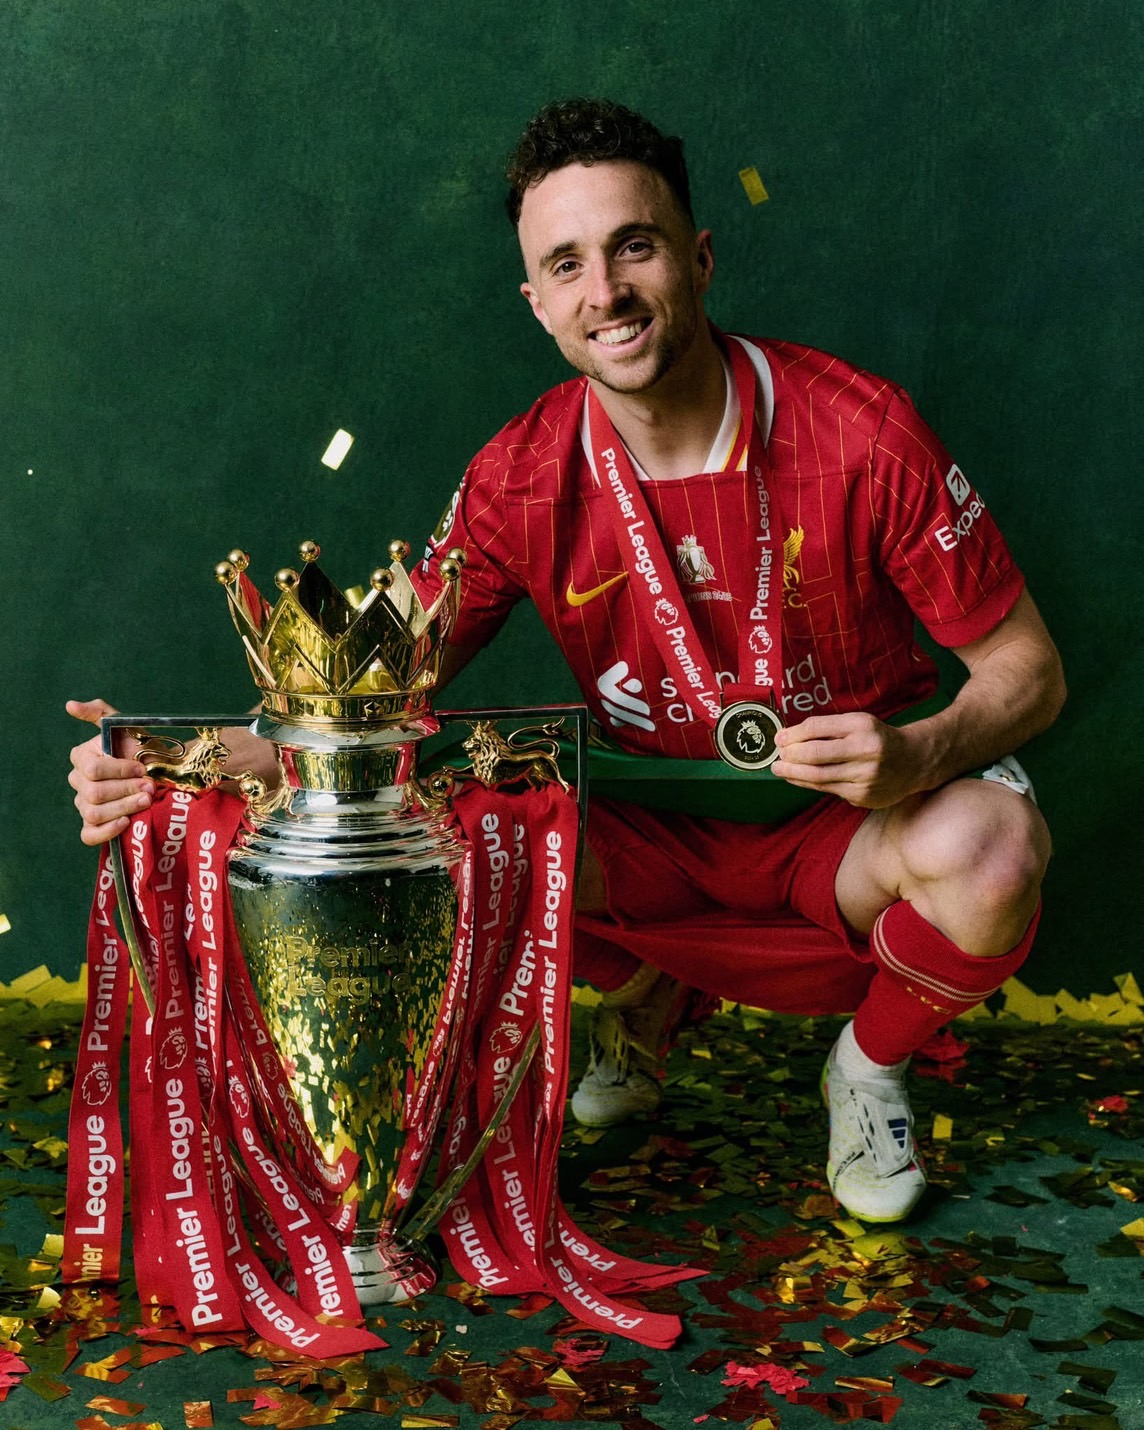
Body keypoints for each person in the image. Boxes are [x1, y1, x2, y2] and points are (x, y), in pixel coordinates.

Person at [68, 99, 1065, 1225]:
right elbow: (367, 696)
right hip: (644, 836)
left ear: (698, 258)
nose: (606, 292)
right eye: (567, 264)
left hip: (844, 833)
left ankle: (867, 1066)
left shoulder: (861, 430)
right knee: (452, 834)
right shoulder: (520, 471)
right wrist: (163, 754)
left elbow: (1029, 668)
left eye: (634, 247)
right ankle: (640, 1000)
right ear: (536, 302)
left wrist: (919, 752)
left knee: (992, 849)